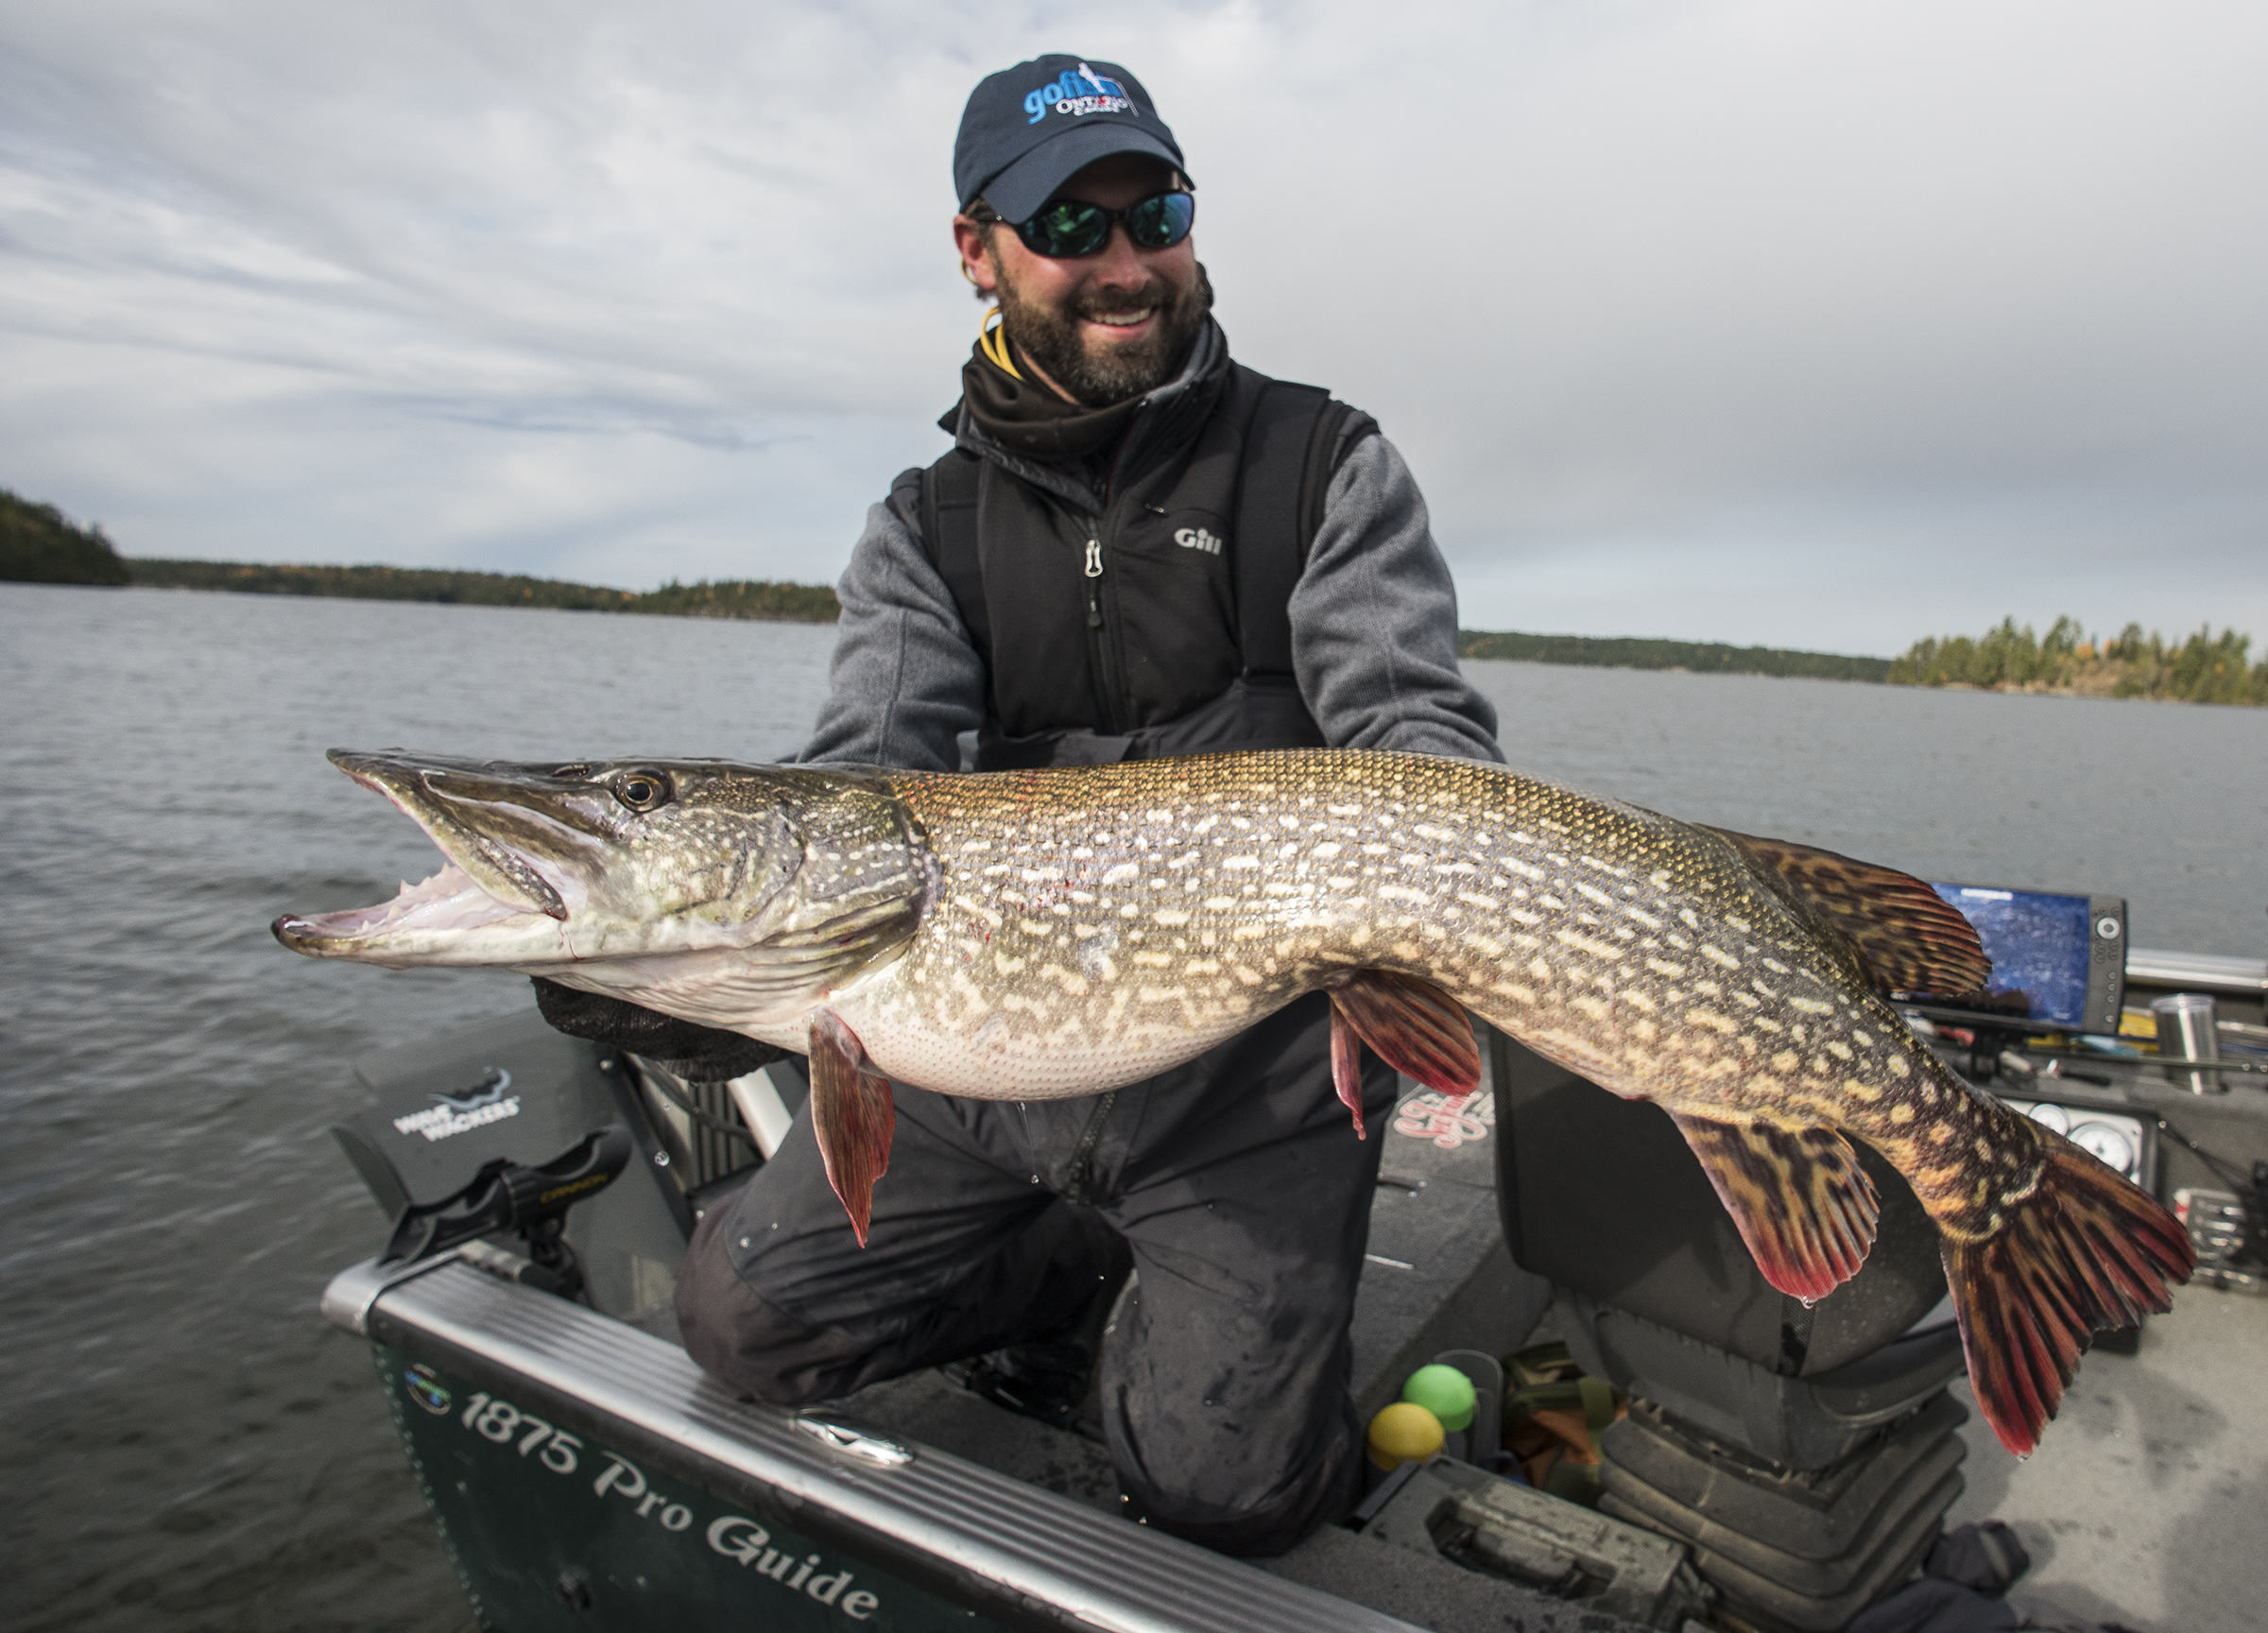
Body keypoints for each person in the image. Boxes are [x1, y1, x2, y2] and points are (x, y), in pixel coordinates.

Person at [545, 54, 1503, 1557]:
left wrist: (1455, 895)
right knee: (743, 1330)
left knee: (1220, 1494)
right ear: (979, 250)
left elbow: (1413, 735)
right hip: (975, 1071)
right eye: (1074, 220)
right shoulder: (924, 526)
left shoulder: (1321, 463)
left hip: (1245, 1098)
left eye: (1157, 209)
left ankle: (1196, 1310)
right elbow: (869, 787)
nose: (1127, 262)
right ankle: (1068, 1259)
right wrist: (696, 974)